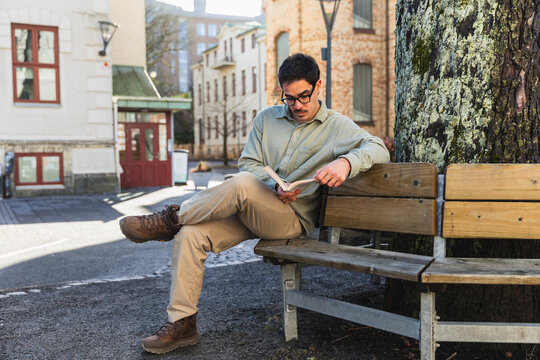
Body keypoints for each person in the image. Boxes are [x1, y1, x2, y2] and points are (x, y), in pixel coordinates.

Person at [119, 53, 390, 354]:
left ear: (318, 87)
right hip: (254, 207)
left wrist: (346, 163)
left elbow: (378, 148)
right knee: (191, 234)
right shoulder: (266, 119)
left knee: (242, 183)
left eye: (304, 96)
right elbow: (248, 162)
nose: (297, 106)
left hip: (291, 220)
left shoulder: (337, 126)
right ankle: (183, 323)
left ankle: (166, 221)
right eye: (289, 99)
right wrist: (274, 184)